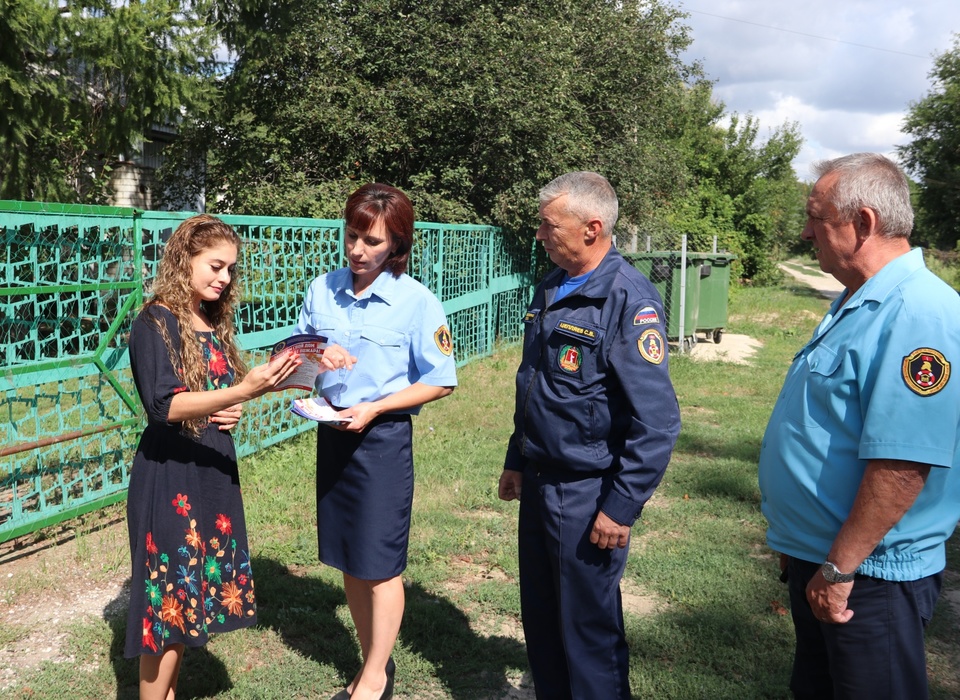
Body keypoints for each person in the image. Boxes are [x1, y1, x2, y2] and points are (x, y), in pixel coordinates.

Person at [124, 214, 351, 699]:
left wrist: (237, 402)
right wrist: (237, 391)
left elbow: (214, 394)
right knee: (166, 607)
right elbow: (164, 405)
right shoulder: (154, 322)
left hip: (210, 471)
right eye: (215, 265)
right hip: (171, 475)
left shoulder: (207, 320)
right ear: (184, 260)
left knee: (188, 599)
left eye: (230, 269)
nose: (224, 278)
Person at [758, 153, 960, 699]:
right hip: (825, 562)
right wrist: (798, 541)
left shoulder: (918, 313)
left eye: (815, 218)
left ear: (863, 223)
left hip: (869, 578)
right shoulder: (858, 300)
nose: (805, 232)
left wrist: (841, 568)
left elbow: (902, 462)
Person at [498, 171, 681, 700]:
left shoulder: (628, 300)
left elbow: (658, 420)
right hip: (539, 479)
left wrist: (621, 506)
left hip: (587, 492)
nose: (539, 234)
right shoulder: (553, 285)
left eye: (548, 225)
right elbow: (534, 383)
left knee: (587, 633)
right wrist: (517, 457)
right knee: (543, 621)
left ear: (591, 228)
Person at [294, 183, 458, 700]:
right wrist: (313, 360)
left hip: (382, 440)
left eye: (371, 241)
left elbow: (442, 378)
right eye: (351, 236)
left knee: (381, 564)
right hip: (333, 432)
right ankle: (376, 669)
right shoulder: (322, 289)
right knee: (350, 557)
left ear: (397, 245)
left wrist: (377, 407)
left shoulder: (416, 302)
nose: (357, 251)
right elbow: (297, 356)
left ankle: (371, 678)